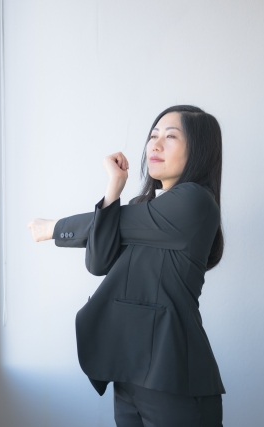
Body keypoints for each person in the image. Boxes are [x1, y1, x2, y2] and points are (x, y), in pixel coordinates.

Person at [27, 105, 225, 427]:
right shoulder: (141, 208)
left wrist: (54, 227)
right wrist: (114, 187)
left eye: (171, 137)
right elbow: (98, 262)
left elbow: (118, 225)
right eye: (153, 135)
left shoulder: (196, 201)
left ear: (198, 150)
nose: (155, 145)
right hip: (129, 371)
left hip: (173, 373)